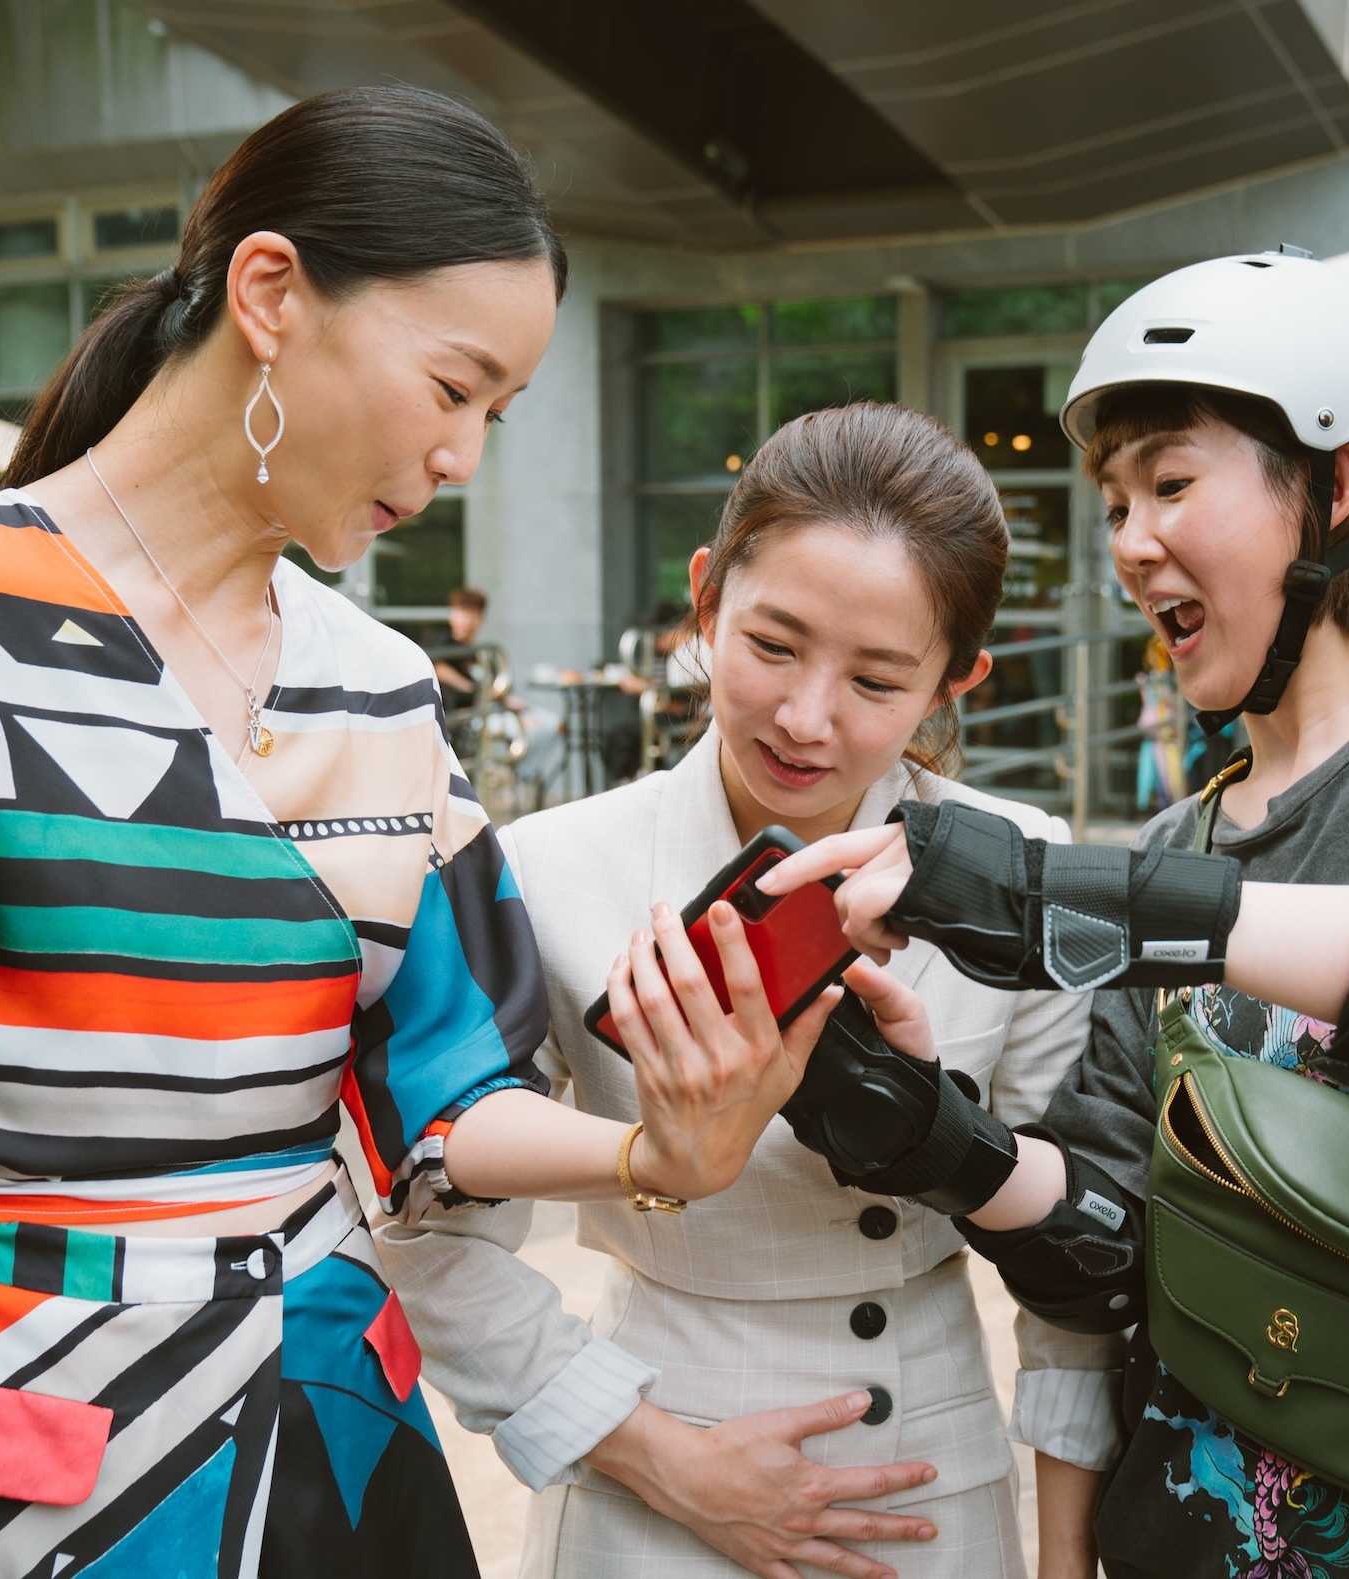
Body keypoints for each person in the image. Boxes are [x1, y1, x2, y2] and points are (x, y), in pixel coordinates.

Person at [0, 87, 826, 1579]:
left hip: (327, 1434)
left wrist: (661, 1150)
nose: (464, 455)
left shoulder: (381, 683)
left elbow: (446, 1087)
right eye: (454, 388)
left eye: (496, 415)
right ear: (271, 294)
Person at [762, 255, 1349, 1577]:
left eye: (1171, 484)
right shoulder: (1178, 847)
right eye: (1114, 502)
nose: (1126, 540)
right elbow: (1108, 1248)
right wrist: (921, 1126)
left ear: (1339, 491)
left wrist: (1067, 896)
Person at [378, 404, 1124, 1579]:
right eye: (772, 645)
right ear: (705, 599)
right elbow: (424, 1226)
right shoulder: (548, 865)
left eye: (878, 679)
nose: (805, 717)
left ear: (956, 680)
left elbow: (1065, 1266)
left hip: (931, 1491)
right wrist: (657, 1455)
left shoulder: (1022, 871)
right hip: (653, 1479)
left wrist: (1065, 1560)